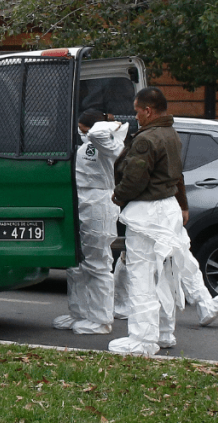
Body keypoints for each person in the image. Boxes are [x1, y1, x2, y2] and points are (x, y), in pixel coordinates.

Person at [108, 87, 186, 356]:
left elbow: (135, 178)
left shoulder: (146, 139)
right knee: (164, 274)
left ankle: (142, 340)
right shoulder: (172, 134)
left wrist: (117, 196)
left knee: (141, 276)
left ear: (148, 111)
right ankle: (164, 333)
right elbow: (178, 177)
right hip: (167, 209)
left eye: (137, 110)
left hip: (146, 212)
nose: (136, 115)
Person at [53, 109, 128, 334]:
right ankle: (79, 313)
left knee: (97, 264)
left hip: (98, 204)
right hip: (80, 203)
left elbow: (98, 134)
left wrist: (110, 123)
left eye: (82, 128)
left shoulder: (109, 143)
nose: (81, 132)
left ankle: (101, 319)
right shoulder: (86, 145)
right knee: (76, 265)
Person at [114, 226, 218, 326]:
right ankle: (204, 305)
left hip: (152, 209)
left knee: (179, 250)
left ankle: (122, 304)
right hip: (147, 208)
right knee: (135, 253)